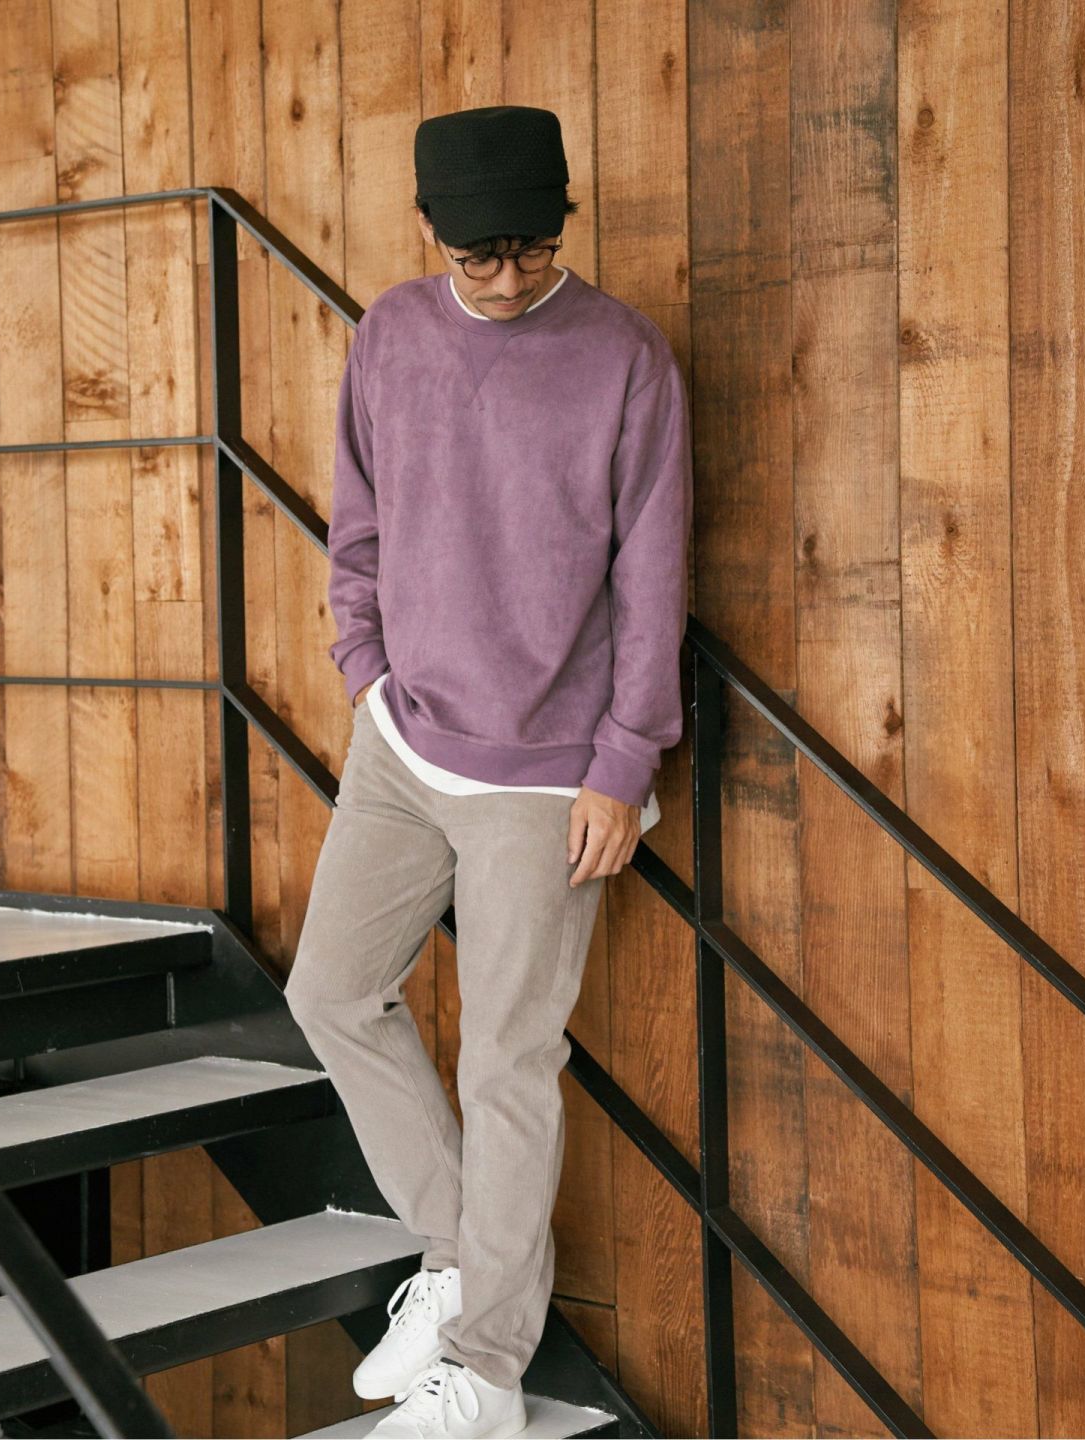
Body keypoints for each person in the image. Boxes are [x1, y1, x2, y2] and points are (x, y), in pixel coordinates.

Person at [284, 104, 692, 1439]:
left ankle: (493, 1374)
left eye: (530, 249)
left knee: (509, 1062)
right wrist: (363, 665)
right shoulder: (392, 334)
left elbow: (653, 571)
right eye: (478, 257)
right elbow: (358, 520)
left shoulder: (625, 355)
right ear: (429, 233)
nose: (507, 279)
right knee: (332, 991)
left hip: (547, 775)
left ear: (561, 223)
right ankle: (459, 1256)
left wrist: (623, 761)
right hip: (402, 741)